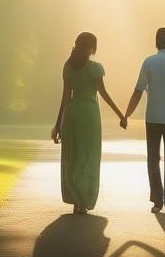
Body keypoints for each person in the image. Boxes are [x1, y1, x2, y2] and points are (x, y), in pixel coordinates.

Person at [51, 31, 127, 214]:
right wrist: (120, 115)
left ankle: (76, 198)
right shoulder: (95, 68)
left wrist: (58, 124)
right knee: (88, 155)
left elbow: (65, 98)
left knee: (73, 154)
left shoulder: (68, 66)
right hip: (89, 114)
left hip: (72, 113)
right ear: (92, 47)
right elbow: (103, 93)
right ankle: (84, 199)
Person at [123, 27, 165, 213]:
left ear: (156, 42)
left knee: (153, 158)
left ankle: (157, 200)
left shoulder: (149, 62)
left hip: (153, 117)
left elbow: (138, 90)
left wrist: (126, 114)